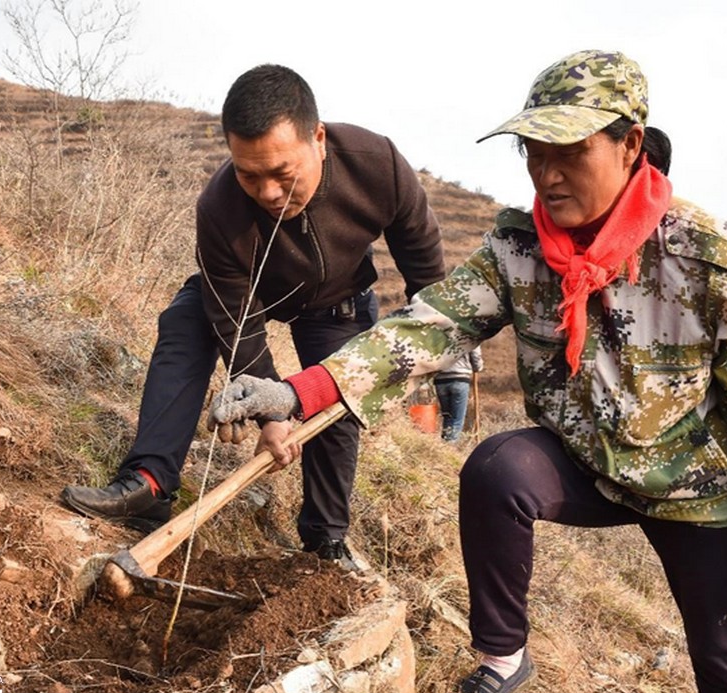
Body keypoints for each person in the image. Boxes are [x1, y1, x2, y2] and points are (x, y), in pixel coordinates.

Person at [207, 50, 727, 693]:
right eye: (534, 152)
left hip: (700, 490)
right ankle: (504, 658)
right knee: (498, 469)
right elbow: (425, 327)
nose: (547, 173)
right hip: (589, 463)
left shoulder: (707, 256)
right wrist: (296, 391)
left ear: (630, 145)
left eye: (570, 152)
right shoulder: (518, 249)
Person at [60, 64, 445, 568]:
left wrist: (441, 338)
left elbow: (423, 261)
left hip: (337, 302)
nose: (267, 193)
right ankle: (150, 483)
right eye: (249, 175)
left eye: (283, 174)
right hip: (248, 296)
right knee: (184, 323)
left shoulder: (377, 164)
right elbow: (235, 319)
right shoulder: (219, 207)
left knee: (337, 393)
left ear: (318, 140)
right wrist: (270, 413)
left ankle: (325, 540)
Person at [434, 346, 483, 441]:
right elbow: (476, 356)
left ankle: (445, 443)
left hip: (440, 380)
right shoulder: (470, 336)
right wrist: (477, 367)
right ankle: (450, 446)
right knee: (456, 419)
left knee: (447, 417)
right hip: (460, 379)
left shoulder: (437, 336)